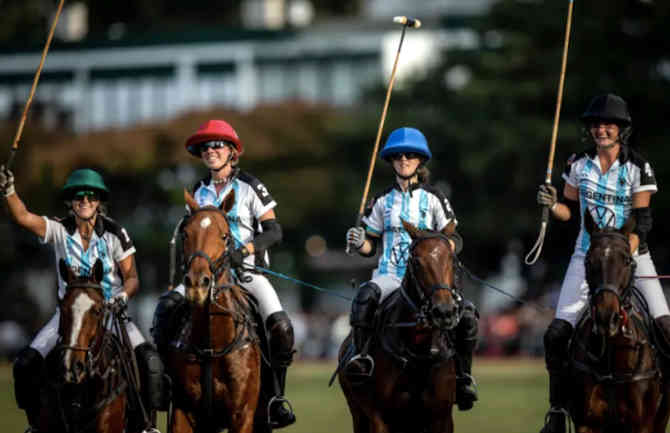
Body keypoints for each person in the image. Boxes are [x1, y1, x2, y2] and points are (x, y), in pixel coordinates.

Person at [536, 93, 670, 433]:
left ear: (621, 129)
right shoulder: (578, 165)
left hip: (631, 258)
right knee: (556, 334)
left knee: (666, 328)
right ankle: (556, 410)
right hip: (586, 258)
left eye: (608, 124)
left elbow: (642, 221)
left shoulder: (638, 166)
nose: (601, 129)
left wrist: (624, 254)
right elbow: (568, 212)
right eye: (596, 124)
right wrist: (552, 205)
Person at [151, 119, 296, 428]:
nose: (211, 150)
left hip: (245, 274)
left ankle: (274, 398)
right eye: (206, 147)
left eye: (217, 145)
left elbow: (274, 231)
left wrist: (243, 251)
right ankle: (166, 387)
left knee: (281, 327)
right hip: (202, 275)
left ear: (232, 152)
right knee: (164, 310)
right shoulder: (197, 191)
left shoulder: (250, 187)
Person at [0, 167, 165, 433]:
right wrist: (9, 191)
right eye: (78, 196)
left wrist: (123, 296)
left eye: (90, 196)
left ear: (99, 201)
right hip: (68, 315)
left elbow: (132, 276)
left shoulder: (115, 233)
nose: (84, 201)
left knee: (150, 362)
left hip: (110, 313)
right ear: (70, 201)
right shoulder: (58, 230)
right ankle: (34, 424)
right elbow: (22, 216)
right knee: (25, 364)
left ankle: (147, 425)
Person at [344, 126, 479, 411]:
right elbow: (370, 245)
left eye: (410, 155)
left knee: (466, 315)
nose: (403, 160)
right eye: (398, 156)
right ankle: (363, 358)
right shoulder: (381, 201)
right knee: (365, 297)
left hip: (430, 280)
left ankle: (464, 377)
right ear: (391, 161)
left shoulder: (434, 198)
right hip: (390, 274)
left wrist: (439, 251)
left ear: (420, 161)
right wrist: (359, 242)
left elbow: (454, 236)